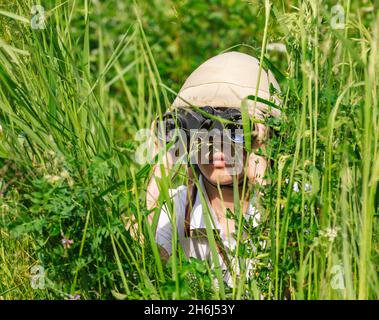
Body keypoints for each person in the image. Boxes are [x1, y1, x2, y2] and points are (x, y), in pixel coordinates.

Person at [145, 51, 281, 288]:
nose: (217, 149)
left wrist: (260, 155)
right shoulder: (180, 206)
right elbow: (137, 256)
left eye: (234, 130)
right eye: (202, 132)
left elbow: (296, 254)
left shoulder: (288, 199)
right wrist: (167, 157)